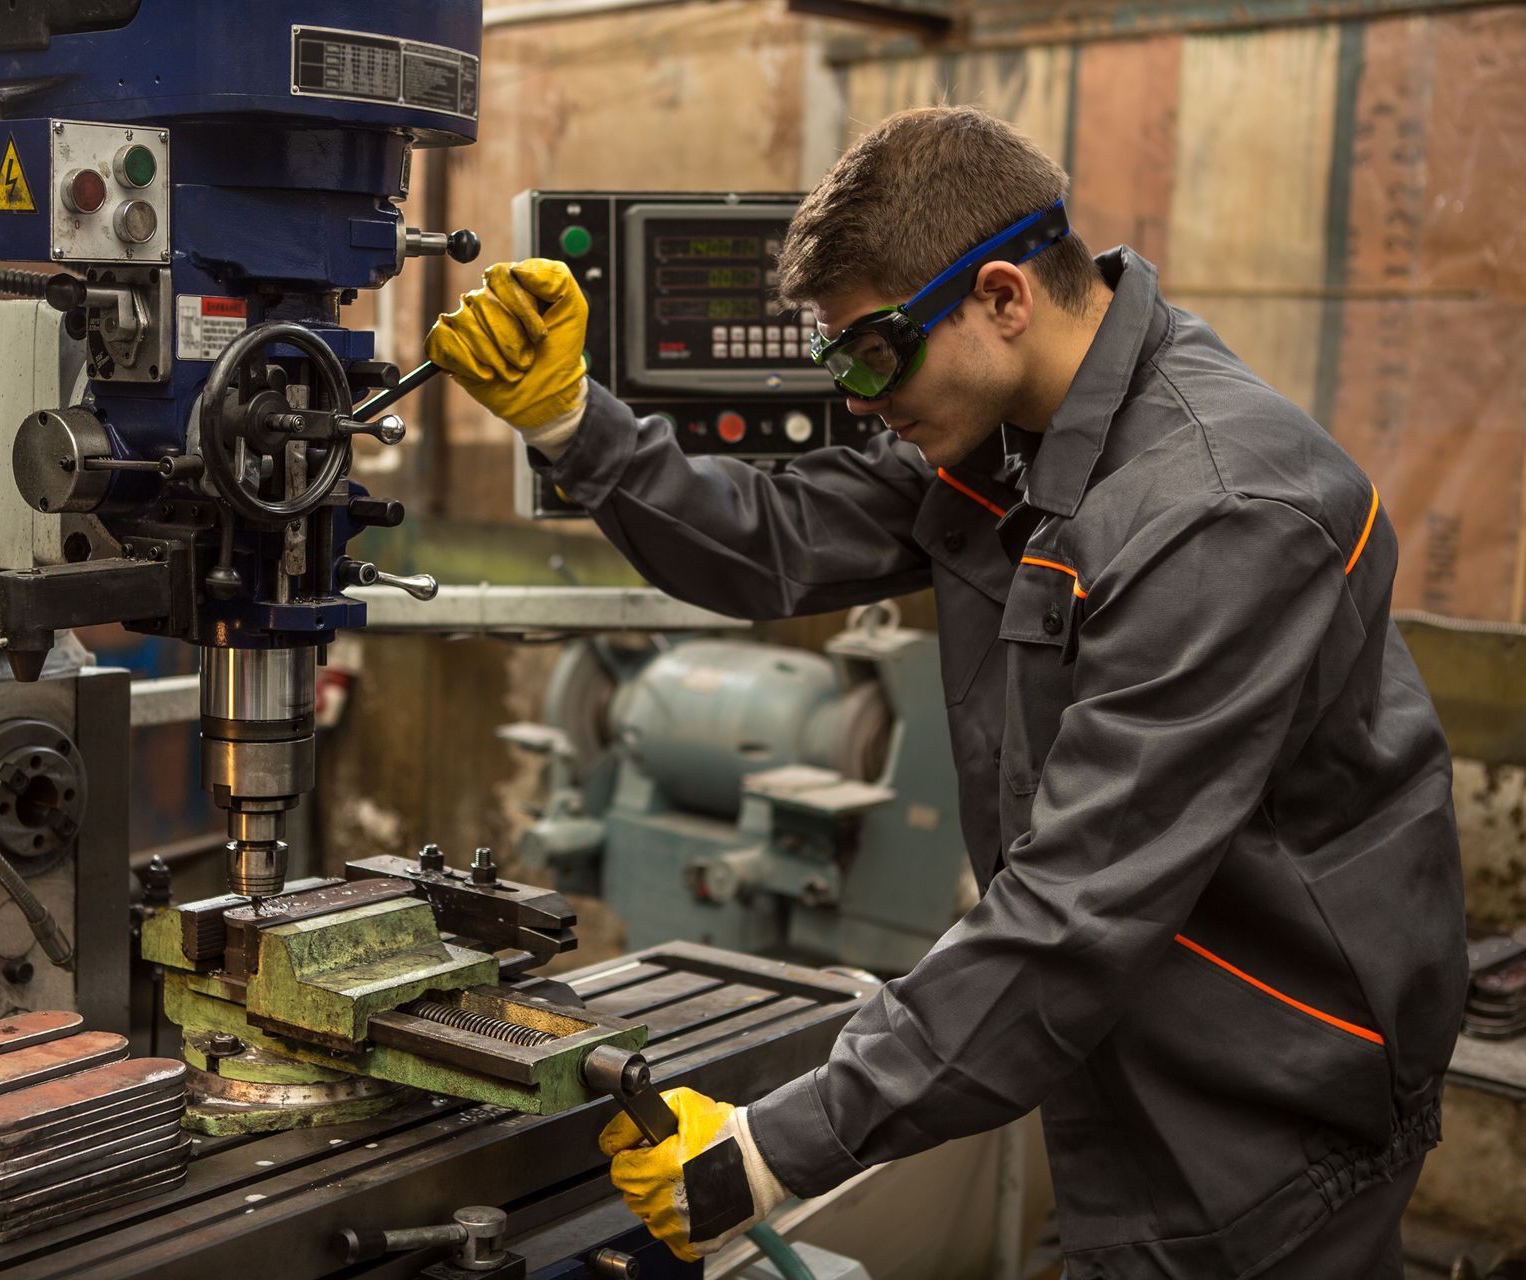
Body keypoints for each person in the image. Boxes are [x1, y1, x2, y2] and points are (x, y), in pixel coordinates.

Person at [425, 106, 1468, 1279]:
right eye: (838, 362)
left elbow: (1076, 911)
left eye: (873, 353)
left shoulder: (1219, 510)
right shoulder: (1010, 438)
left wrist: (770, 1148)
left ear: (1005, 295)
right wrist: (577, 422)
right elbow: (779, 536)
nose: (858, 398)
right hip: (1132, 1030)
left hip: (1270, 1085)